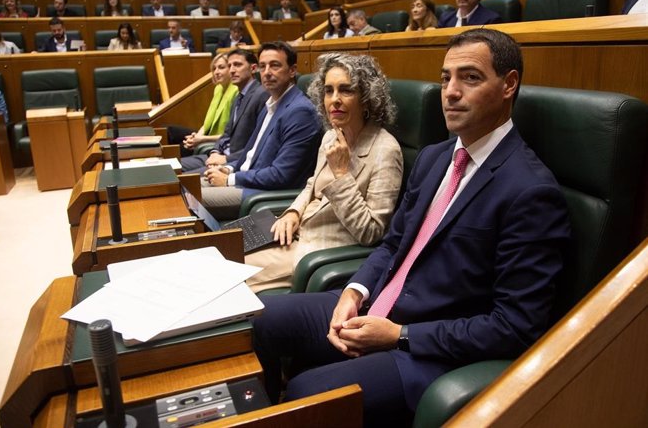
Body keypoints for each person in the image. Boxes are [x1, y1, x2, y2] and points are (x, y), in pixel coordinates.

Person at [252, 28, 570, 427]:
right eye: (445, 78)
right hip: (377, 305)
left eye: (469, 77)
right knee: (260, 316)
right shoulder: (436, 158)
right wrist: (354, 291)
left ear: (509, 85)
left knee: (305, 394)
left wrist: (399, 334)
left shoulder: (530, 190)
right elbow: (392, 243)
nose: (451, 92)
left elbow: (515, 326)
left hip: (426, 348)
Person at [244, 52, 403, 293]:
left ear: (367, 98)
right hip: (293, 234)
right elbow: (312, 186)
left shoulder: (385, 150)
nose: (334, 100)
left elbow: (370, 232)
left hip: (317, 254)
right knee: (220, 250)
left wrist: (341, 174)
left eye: (346, 90)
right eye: (329, 91)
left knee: (226, 279)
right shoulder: (331, 135)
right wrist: (293, 212)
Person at [201, 41, 322, 221]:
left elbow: (281, 175)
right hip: (245, 180)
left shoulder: (300, 112)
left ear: (292, 70)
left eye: (275, 66)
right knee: (188, 185)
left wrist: (230, 179)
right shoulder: (270, 105)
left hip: (261, 194)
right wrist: (228, 168)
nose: (266, 72)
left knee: (191, 198)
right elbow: (251, 153)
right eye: (263, 66)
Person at [180, 49, 269, 173]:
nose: (232, 70)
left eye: (237, 65)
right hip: (220, 155)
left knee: (185, 178)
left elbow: (258, 145)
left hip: (235, 162)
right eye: (229, 66)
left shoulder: (261, 95)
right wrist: (215, 152)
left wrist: (225, 158)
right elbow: (226, 135)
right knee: (170, 167)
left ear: (253, 68)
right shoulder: (239, 96)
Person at [168, 53, 240, 158]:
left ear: (230, 69)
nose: (216, 72)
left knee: (180, 148)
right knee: (169, 131)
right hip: (208, 134)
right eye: (214, 68)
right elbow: (207, 123)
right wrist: (197, 136)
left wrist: (201, 139)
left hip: (219, 140)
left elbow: (230, 135)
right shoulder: (218, 89)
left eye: (221, 68)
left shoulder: (236, 92)